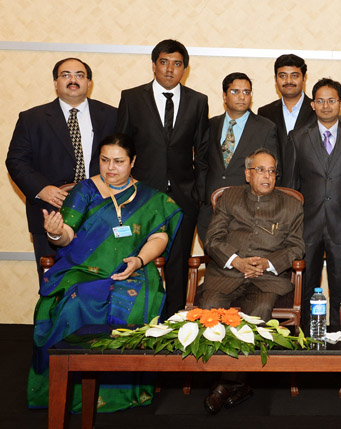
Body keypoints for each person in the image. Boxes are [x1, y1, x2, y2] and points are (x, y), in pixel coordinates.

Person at [27, 133, 182, 411]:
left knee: (135, 302)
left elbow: (158, 238)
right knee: (76, 303)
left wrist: (138, 260)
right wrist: (55, 232)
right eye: (105, 160)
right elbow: (67, 234)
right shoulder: (85, 191)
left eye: (119, 161)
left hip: (133, 268)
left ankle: (121, 393)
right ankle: (70, 390)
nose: (111, 168)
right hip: (83, 269)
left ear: (133, 161)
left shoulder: (149, 197)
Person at [198, 148, 304, 414]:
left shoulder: (291, 205)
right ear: (247, 174)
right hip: (227, 272)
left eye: (271, 171)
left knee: (258, 314)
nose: (267, 176)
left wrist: (267, 264)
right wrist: (235, 261)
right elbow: (212, 239)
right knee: (210, 308)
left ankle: (226, 384)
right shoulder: (229, 197)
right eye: (260, 170)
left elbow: (296, 247)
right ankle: (230, 382)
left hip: (266, 278)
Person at [116, 39, 209, 317]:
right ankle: (138, 319)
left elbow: (202, 153)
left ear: (185, 69)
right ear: (154, 65)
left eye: (177, 64)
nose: (170, 70)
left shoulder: (198, 101)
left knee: (178, 262)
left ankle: (173, 323)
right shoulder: (132, 98)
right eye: (164, 62)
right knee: (136, 257)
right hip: (141, 196)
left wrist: (199, 194)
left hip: (183, 196)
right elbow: (122, 149)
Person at [5, 57, 116, 282]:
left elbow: (125, 158)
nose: (72, 80)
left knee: (100, 282)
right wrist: (42, 189)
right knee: (53, 283)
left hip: (101, 213)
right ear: (55, 83)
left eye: (79, 75)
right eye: (65, 75)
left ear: (89, 83)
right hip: (49, 213)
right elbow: (16, 161)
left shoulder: (113, 116)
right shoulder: (32, 119)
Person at [285, 78, 341, 326]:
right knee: (307, 284)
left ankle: (339, 334)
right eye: (320, 101)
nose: (326, 106)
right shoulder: (297, 137)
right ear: (312, 104)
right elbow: (290, 186)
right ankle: (307, 336)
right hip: (308, 224)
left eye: (332, 101)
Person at [197, 72, 279, 243]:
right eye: (235, 92)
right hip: (210, 212)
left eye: (247, 92)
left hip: (248, 213)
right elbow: (201, 163)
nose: (242, 97)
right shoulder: (210, 125)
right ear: (224, 96)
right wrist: (203, 196)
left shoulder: (266, 128)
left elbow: (271, 172)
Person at [257, 54, 316, 178]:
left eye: (294, 76)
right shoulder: (265, 113)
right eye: (283, 76)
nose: (288, 81)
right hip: (274, 186)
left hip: (308, 186)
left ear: (304, 78)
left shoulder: (317, 111)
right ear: (275, 79)